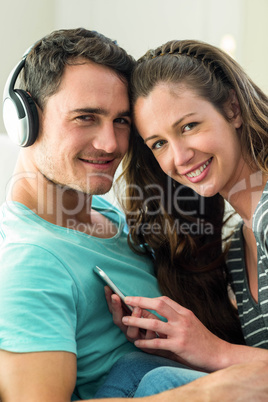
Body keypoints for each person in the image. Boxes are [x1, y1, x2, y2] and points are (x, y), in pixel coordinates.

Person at [101, 39, 268, 397]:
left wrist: (213, 350)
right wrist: (179, 344)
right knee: (135, 367)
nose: (179, 157)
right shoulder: (240, 246)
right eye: (158, 143)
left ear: (233, 109)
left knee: (160, 382)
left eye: (189, 126)